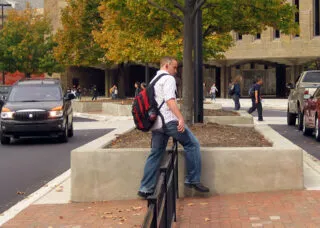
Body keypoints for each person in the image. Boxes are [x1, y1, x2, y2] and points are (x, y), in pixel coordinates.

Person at [138, 56, 209, 198]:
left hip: (156, 124)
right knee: (192, 144)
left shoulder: (153, 80)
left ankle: (145, 188)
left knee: (156, 153)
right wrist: (180, 118)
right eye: (174, 67)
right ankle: (193, 179)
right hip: (169, 121)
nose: (176, 71)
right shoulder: (168, 79)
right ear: (166, 66)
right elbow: (170, 101)